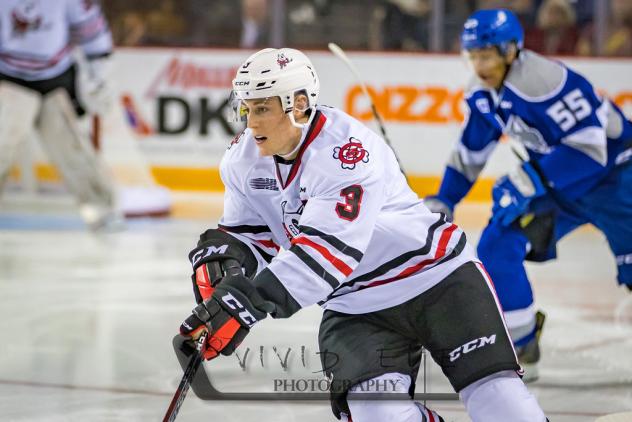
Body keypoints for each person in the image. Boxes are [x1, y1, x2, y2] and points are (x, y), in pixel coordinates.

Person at [177, 47, 548, 421]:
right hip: (357, 307)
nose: (250, 123)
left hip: (437, 280)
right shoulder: (242, 160)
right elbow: (254, 234)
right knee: (377, 416)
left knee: (501, 405)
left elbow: (326, 257)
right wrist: (226, 253)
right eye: (246, 108)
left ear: (299, 104)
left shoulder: (346, 151)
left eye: (262, 109)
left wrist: (247, 303)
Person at [424, 9, 632, 381]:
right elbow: (472, 151)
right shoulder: (482, 92)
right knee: (497, 244)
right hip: (562, 186)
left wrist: (526, 180)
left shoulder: (544, 81)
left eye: (486, 55)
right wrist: (445, 199)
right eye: (473, 55)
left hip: (616, 179)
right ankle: (522, 342)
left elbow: (590, 150)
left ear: (510, 51)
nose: (479, 64)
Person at [0, 0, 121, 230]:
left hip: (55, 78)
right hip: (10, 79)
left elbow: (91, 31)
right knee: (2, 144)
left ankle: (101, 211)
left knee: (72, 151)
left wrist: (101, 74)